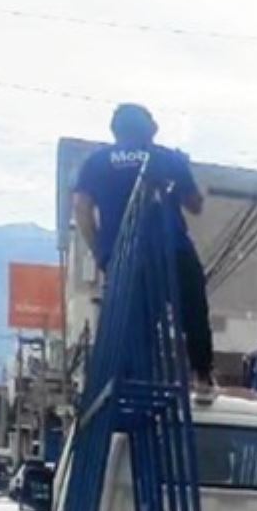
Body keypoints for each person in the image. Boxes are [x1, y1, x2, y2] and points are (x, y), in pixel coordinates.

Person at [71, 103, 214, 385]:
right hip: (171, 250)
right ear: (150, 129)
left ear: (115, 131)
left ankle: (131, 382)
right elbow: (195, 205)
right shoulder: (167, 158)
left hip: (126, 257)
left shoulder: (97, 162)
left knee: (135, 326)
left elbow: (81, 209)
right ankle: (203, 376)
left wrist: (102, 253)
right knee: (194, 307)